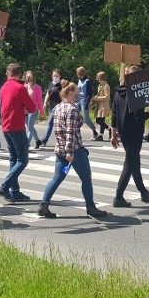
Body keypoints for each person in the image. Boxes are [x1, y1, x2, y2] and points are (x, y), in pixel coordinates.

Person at [38, 82, 107, 219]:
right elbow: (70, 132)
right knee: (86, 178)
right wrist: (70, 153)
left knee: (58, 178)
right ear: (70, 93)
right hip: (74, 152)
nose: (79, 94)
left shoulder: (57, 107)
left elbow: (59, 129)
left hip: (61, 151)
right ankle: (91, 208)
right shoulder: (72, 110)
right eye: (77, 92)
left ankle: (43, 205)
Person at [110, 65, 149, 207]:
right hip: (135, 133)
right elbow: (139, 117)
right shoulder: (136, 93)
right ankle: (118, 197)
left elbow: (113, 115)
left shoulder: (118, 92)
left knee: (135, 161)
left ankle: (143, 191)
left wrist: (113, 135)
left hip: (123, 132)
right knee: (130, 163)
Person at [0, 63, 37, 203]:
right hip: (17, 126)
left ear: (7, 73)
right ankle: (4, 186)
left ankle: (14, 191)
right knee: (23, 160)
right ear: (20, 75)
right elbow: (32, 108)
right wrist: (25, 106)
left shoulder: (3, 88)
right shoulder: (20, 88)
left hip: (5, 126)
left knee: (13, 159)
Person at [76, 67, 100, 139]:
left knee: (86, 118)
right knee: (74, 116)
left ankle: (94, 131)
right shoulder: (79, 80)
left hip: (84, 101)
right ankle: (77, 133)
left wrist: (87, 103)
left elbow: (89, 93)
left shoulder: (87, 81)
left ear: (81, 73)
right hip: (78, 100)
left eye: (78, 73)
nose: (78, 75)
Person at [40, 69, 62, 147]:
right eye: (54, 76)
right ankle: (62, 139)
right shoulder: (51, 84)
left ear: (60, 76)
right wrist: (45, 102)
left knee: (50, 123)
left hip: (58, 106)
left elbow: (63, 95)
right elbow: (48, 93)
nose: (55, 77)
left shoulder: (61, 85)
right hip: (51, 105)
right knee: (58, 124)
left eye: (57, 76)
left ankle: (45, 140)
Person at [24, 70, 44, 149]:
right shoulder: (25, 86)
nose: (29, 78)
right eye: (27, 77)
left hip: (34, 109)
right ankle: (38, 141)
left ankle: (26, 144)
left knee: (30, 127)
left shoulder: (38, 87)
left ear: (33, 77)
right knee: (30, 126)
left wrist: (42, 111)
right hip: (26, 109)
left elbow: (39, 100)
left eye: (30, 77)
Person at [90, 71, 111, 140]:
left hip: (104, 105)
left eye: (98, 77)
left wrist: (97, 98)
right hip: (100, 105)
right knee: (98, 120)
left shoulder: (106, 86)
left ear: (101, 78)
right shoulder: (100, 85)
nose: (97, 79)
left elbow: (107, 97)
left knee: (101, 120)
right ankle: (109, 129)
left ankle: (101, 135)